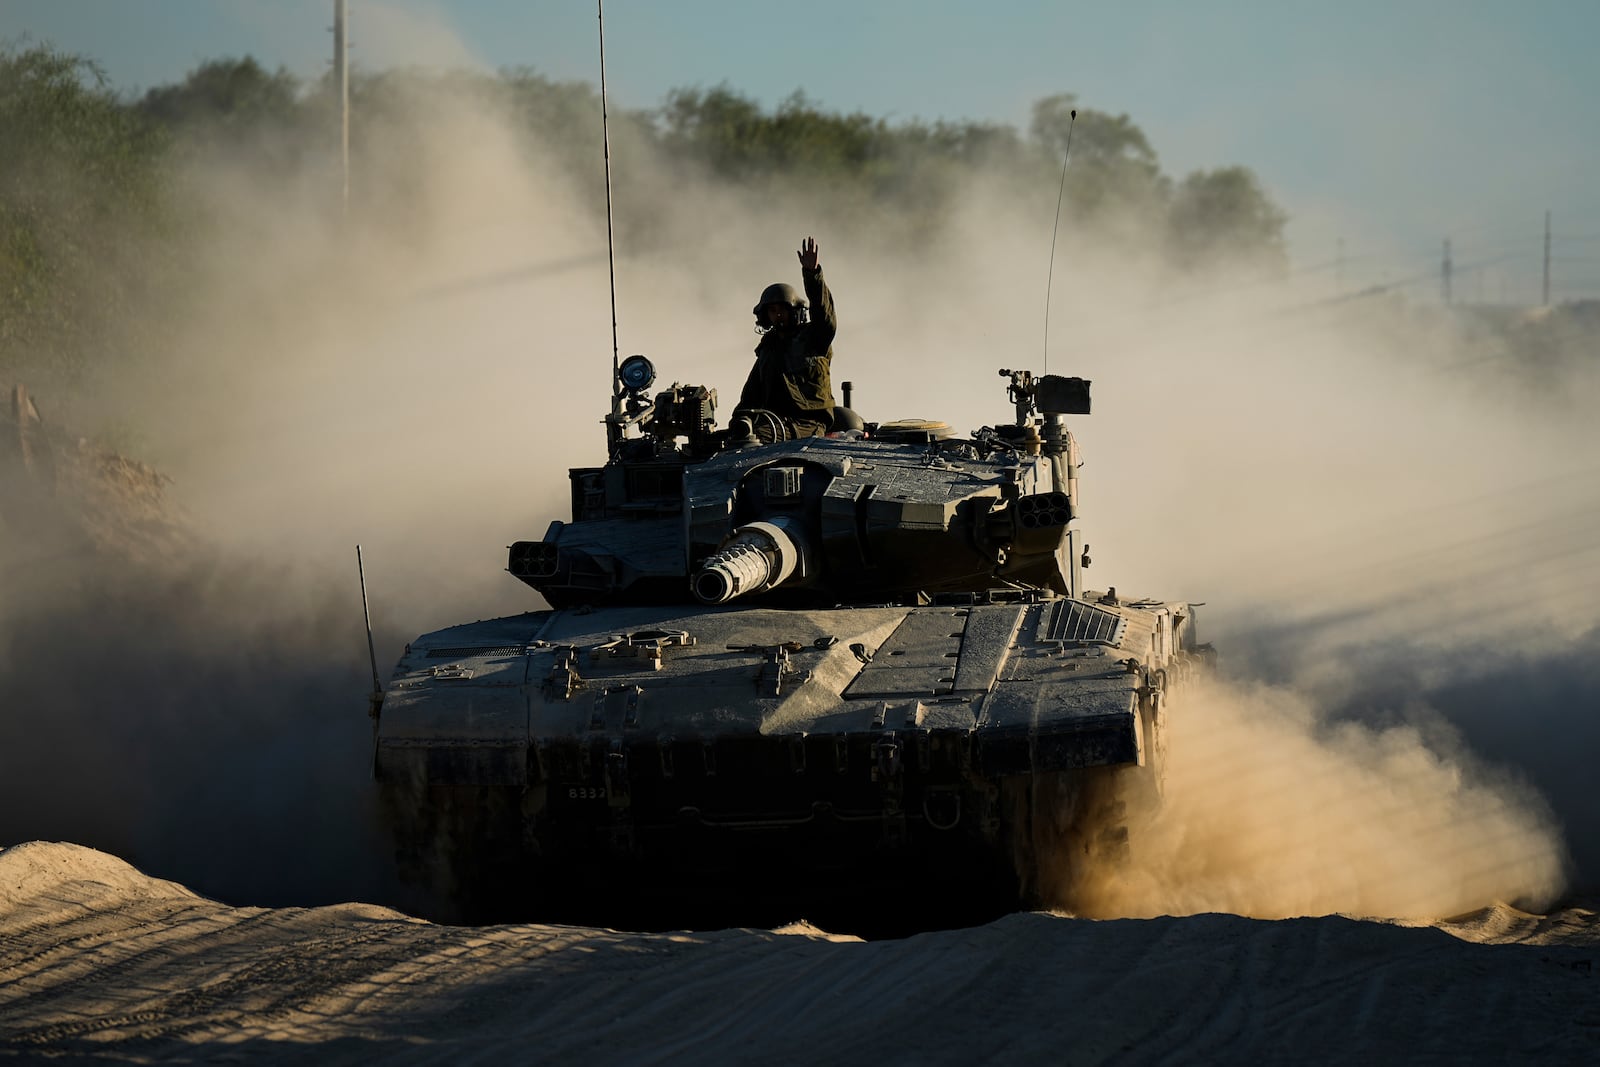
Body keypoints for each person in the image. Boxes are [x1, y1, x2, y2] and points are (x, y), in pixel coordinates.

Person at [737, 236, 837, 438]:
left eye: (782, 309)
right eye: (773, 311)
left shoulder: (813, 339)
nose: (778, 315)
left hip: (810, 424)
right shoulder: (769, 349)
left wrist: (812, 274)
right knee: (733, 440)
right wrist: (739, 420)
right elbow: (752, 393)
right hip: (774, 422)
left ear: (795, 311)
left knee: (760, 438)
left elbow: (824, 315)